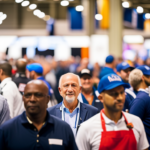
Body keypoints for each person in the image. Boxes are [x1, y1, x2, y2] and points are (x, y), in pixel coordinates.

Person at [76, 73, 149, 150]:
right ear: (101, 98)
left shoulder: (136, 122)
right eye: (113, 94)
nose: (120, 97)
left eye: (122, 92)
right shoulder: (87, 128)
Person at [0, 80, 78, 150]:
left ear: (47, 99)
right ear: (23, 99)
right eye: (28, 95)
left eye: (38, 95)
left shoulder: (63, 128)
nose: (32, 99)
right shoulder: (8, 129)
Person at [129, 66, 150, 148]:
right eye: (148, 76)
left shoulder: (143, 97)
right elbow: (132, 125)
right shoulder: (141, 99)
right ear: (142, 78)